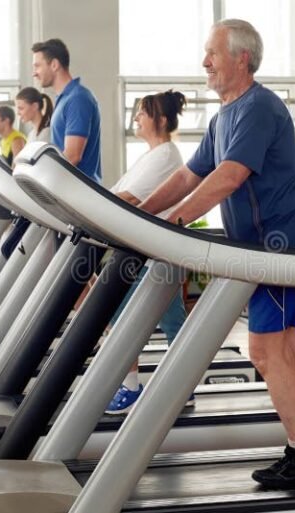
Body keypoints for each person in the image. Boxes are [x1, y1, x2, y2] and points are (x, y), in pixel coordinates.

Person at [138, 19, 295, 490]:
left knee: (265, 348)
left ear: (242, 58)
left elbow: (229, 177)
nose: (204, 62)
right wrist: (139, 210)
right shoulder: (224, 117)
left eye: (212, 53)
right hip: (259, 252)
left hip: (276, 249)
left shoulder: (258, 108)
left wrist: (174, 221)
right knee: (290, 344)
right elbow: (189, 177)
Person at [104, 90, 190, 414]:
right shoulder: (153, 155)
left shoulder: (166, 155)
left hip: (154, 249)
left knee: (121, 313)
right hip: (147, 247)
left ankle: (131, 387)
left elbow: (130, 199)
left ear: (162, 120)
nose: (137, 117)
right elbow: (120, 194)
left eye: (143, 112)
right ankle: (185, 384)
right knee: (170, 318)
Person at [31, 38, 101, 183]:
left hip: (79, 193)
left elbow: (73, 155)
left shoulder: (77, 99)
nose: (34, 73)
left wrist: (42, 180)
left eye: (37, 66)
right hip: (67, 189)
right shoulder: (64, 98)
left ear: (54, 65)